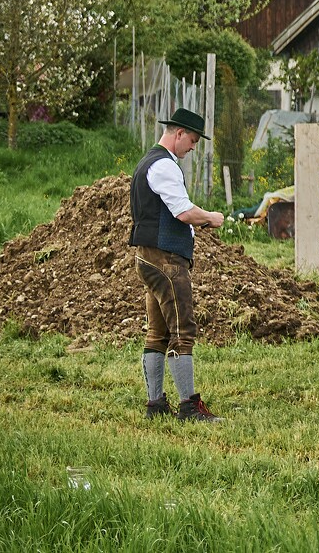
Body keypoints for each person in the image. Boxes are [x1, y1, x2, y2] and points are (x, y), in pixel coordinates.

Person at [130, 107, 225, 422]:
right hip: (166, 260)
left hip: (147, 257)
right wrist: (211, 217)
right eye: (193, 140)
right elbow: (182, 212)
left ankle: (155, 404)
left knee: (157, 332)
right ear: (179, 133)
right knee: (182, 331)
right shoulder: (165, 166)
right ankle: (189, 407)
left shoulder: (147, 161)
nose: (194, 147)